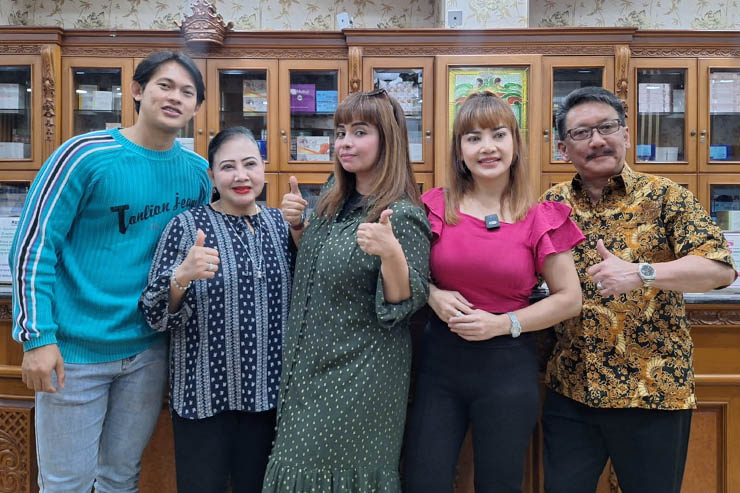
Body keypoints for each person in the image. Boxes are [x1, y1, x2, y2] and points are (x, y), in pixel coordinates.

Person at [9, 51, 209, 492]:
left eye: (187, 92)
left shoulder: (197, 172)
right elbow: (33, 247)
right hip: (74, 355)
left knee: (120, 478)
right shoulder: (83, 155)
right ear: (137, 90)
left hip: (148, 353)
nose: (175, 97)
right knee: (66, 484)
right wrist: (37, 337)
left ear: (197, 107)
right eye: (164, 85)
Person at [541, 86, 737, 493]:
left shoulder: (667, 197)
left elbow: (718, 269)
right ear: (563, 148)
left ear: (626, 134)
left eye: (607, 127)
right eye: (581, 133)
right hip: (573, 390)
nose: (597, 140)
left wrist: (642, 273)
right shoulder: (551, 204)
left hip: (652, 392)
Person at [403, 91, 584, 492]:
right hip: (438, 366)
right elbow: (404, 271)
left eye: (498, 135)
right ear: (460, 151)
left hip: (507, 370)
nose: (487, 147)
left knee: (499, 483)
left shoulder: (540, 217)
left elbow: (570, 299)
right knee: (423, 480)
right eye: (473, 138)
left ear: (515, 144)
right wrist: (432, 294)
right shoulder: (434, 206)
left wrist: (503, 324)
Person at [261, 88, 431, 492]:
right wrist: (298, 226)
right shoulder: (333, 199)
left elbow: (400, 304)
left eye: (359, 132)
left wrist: (391, 253)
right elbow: (319, 265)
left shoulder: (402, 214)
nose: (344, 143)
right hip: (309, 367)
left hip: (360, 376)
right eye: (340, 133)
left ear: (388, 139)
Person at [140, 126, 293, 492]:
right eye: (228, 167)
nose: (241, 176)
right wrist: (181, 277)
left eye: (250, 164)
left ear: (263, 168)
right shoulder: (186, 226)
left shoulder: (281, 225)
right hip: (203, 395)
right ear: (211, 176)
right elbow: (154, 314)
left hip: (268, 395)